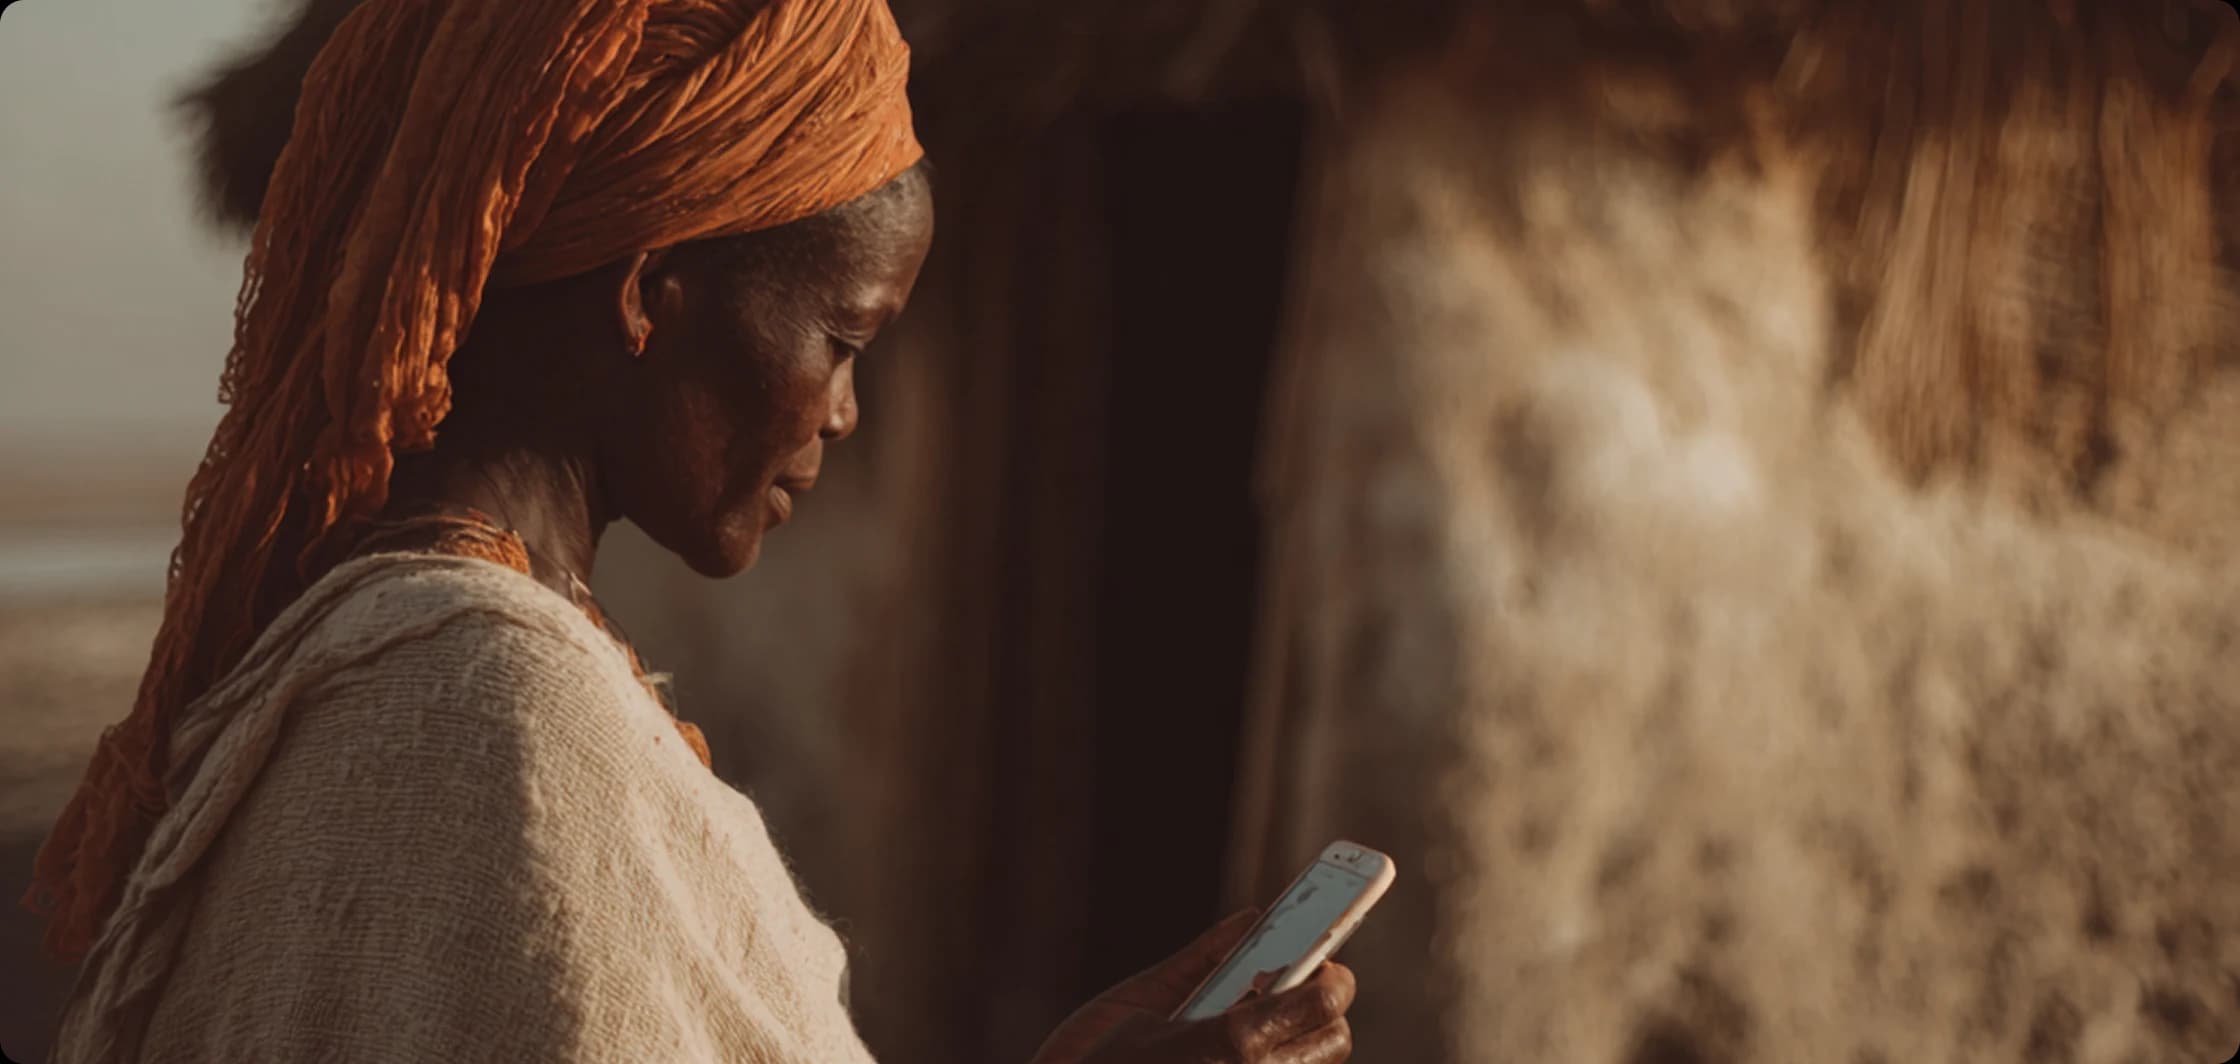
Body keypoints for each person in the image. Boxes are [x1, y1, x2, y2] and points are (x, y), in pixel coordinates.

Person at [22, 0, 1358, 1061]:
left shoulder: (419, 656)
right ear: (653, 293)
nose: (842, 414)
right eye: (841, 341)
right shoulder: (494, 724)